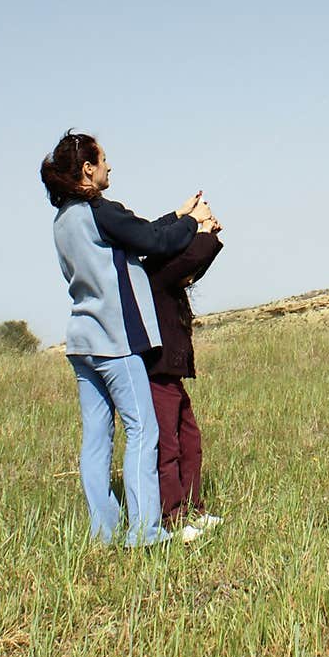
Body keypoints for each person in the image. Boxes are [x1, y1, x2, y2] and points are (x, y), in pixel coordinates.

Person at [40, 129, 212, 547]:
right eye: (104, 160)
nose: (109, 166)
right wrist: (195, 222)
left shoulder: (63, 220)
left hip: (81, 342)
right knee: (143, 430)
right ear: (87, 168)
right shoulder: (98, 208)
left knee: (97, 440)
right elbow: (153, 241)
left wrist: (177, 214)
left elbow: (139, 231)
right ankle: (146, 532)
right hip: (114, 343)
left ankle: (105, 532)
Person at [142, 214, 225, 532]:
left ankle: (192, 510)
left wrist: (211, 240)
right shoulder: (156, 274)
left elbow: (190, 269)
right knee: (169, 447)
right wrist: (204, 231)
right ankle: (173, 517)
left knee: (190, 440)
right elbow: (189, 261)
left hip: (169, 375)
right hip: (158, 375)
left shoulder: (164, 274)